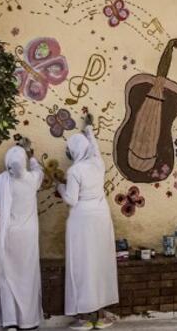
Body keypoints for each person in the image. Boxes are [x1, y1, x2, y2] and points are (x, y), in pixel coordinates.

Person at [58, 112, 119, 329]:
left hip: (82, 219)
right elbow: (94, 148)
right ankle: (101, 316)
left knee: (83, 264)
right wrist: (89, 129)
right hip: (101, 216)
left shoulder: (75, 171)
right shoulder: (97, 163)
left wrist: (60, 187)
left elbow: (71, 200)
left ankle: (84, 318)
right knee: (100, 262)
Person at [0, 142, 44, 330]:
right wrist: (31, 155)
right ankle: (28, 321)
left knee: (7, 277)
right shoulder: (31, 179)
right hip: (28, 237)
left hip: (8, 235)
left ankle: (10, 321)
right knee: (27, 277)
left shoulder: (0, 181)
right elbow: (40, 171)